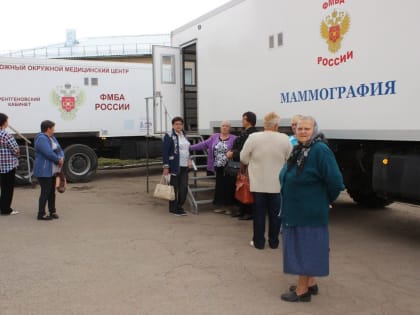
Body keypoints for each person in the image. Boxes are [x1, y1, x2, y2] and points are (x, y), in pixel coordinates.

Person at [279, 116, 344, 302]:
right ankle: (310, 283)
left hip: (309, 211)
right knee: (308, 247)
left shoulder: (320, 150)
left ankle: (302, 291)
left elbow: (336, 181)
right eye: (299, 128)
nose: (303, 131)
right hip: (298, 209)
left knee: (304, 248)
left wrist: (324, 200)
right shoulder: (301, 148)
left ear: (314, 129)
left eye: (307, 128)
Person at [240, 112, 292, 249]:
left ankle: (259, 242)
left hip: (258, 183)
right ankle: (274, 242)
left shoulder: (253, 137)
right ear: (276, 125)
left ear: (264, 124)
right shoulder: (285, 138)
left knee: (259, 214)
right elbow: (290, 159)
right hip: (277, 184)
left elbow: (243, 158)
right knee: (275, 214)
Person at [190, 121, 237, 214]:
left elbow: (238, 149)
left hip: (229, 167)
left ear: (229, 128)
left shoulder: (234, 138)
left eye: (227, 126)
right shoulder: (214, 137)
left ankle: (229, 207)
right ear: (220, 127)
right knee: (220, 187)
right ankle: (221, 206)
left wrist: (233, 153)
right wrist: (190, 147)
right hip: (218, 166)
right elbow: (203, 145)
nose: (224, 127)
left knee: (229, 187)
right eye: (223, 126)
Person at [226, 111, 258, 220]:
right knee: (241, 185)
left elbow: (246, 150)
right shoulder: (246, 132)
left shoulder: (252, 134)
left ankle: (248, 212)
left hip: (248, 164)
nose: (242, 121)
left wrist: (233, 153)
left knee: (247, 186)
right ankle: (242, 209)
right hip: (243, 163)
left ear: (248, 120)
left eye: (243, 119)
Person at [33, 120, 64, 221]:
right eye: (53, 128)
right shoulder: (41, 138)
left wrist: (62, 157)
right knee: (45, 192)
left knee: (51, 191)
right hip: (44, 169)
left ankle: (52, 211)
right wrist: (58, 159)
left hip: (52, 170)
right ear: (48, 129)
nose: (54, 130)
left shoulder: (52, 137)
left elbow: (60, 149)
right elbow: (48, 153)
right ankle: (41, 214)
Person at [163, 116, 192, 216]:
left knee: (184, 187)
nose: (179, 126)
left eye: (180, 124)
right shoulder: (169, 135)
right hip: (174, 165)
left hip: (185, 165)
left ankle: (180, 206)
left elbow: (188, 149)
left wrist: (190, 159)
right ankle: (173, 208)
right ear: (173, 125)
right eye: (176, 124)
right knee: (174, 188)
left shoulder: (184, 134)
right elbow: (165, 151)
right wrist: (166, 166)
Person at [0, 113, 20, 216]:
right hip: (7, 166)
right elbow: (15, 149)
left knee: (2, 187)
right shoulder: (6, 135)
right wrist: (17, 153)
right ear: (4, 122)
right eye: (7, 121)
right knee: (7, 188)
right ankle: (5, 209)